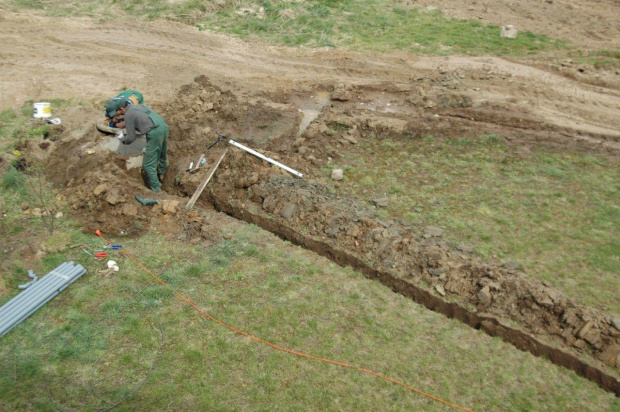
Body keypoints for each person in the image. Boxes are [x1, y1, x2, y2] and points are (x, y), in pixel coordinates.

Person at [107, 99, 168, 192]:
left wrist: (122, 138)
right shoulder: (139, 106)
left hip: (155, 133)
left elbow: (131, 138)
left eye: (117, 112)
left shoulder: (128, 114)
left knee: (147, 166)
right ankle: (161, 174)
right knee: (162, 154)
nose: (117, 115)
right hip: (163, 126)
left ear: (122, 108)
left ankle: (157, 191)